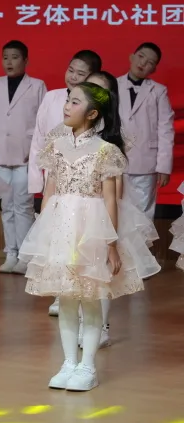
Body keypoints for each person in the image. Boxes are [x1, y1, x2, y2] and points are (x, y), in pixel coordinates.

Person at [19, 82, 144, 391]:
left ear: (92, 114)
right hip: (60, 227)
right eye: (68, 100)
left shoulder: (105, 151)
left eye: (75, 102)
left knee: (89, 298)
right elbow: (49, 190)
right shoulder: (56, 145)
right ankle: (68, 363)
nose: (67, 106)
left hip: (91, 228)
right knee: (65, 298)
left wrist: (111, 244)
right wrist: (43, 230)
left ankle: (87, 365)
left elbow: (110, 200)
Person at [46, 71, 161, 349]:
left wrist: (108, 225)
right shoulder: (62, 135)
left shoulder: (109, 140)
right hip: (68, 213)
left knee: (99, 274)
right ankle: (76, 322)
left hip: (100, 212)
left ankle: (100, 326)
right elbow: (53, 179)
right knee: (74, 269)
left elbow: (114, 188)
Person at [27, 49, 102, 316]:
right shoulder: (52, 97)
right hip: (55, 177)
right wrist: (35, 179)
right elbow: (38, 138)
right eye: (71, 70)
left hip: (82, 185)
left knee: (79, 241)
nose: (73, 76)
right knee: (57, 239)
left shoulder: (94, 106)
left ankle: (81, 293)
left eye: (81, 73)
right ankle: (61, 293)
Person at [0, 40, 47, 274]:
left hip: (25, 155)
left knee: (24, 206)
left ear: (25, 60)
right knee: (7, 206)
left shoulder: (37, 86)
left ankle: (26, 256)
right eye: (5, 57)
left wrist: (36, 149)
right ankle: (11, 252)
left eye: (15, 57)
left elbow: (42, 120)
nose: (9, 62)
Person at [118, 42, 175, 220]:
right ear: (131, 57)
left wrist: (164, 166)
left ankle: (141, 240)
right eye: (141, 56)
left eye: (150, 62)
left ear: (154, 69)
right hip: (116, 160)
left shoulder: (158, 91)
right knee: (116, 210)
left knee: (142, 214)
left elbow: (165, 129)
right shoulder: (113, 84)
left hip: (146, 162)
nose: (143, 63)